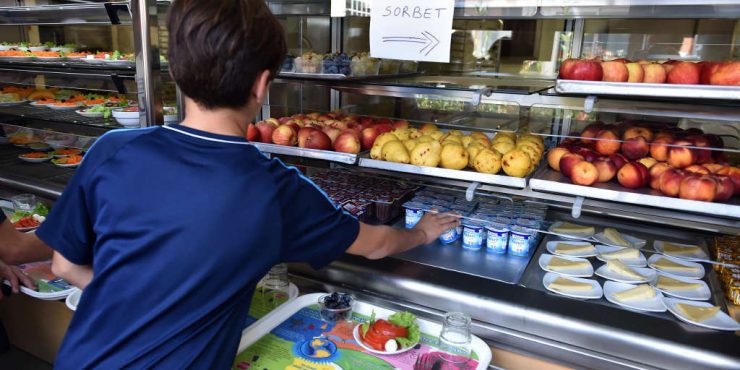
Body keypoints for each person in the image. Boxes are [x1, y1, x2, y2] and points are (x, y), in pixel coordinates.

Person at [1, 0, 460, 368]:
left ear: (176, 70)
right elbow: (376, 245)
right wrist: (421, 232)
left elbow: (64, 266)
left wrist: (138, 297)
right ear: (263, 84)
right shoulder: (278, 190)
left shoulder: (113, 148)